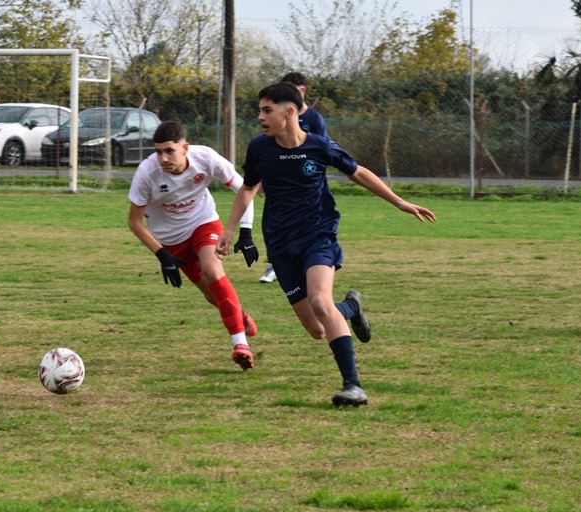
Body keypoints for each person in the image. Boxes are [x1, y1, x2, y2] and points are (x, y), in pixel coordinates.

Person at [216, 83, 435, 406]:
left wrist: (399, 202)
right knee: (317, 329)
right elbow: (248, 188)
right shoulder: (259, 148)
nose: (260, 117)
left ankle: (353, 386)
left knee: (320, 300)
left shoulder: (318, 146)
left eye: (267, 110)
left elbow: (358, 172)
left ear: (289, 112)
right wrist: (230, 229)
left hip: (317, 235)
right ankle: (351, 308)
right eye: (260, 110)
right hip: (280, 243)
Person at [128, 121, 260, 371]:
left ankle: (240, 344)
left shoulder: (206, 158)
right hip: (170, 240)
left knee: (213, 271)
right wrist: (162, 255)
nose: (163, 158)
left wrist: (245, 231)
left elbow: (245, 188)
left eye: (169, 151)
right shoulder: (147, 173)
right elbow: (134, 222)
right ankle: (240, 316)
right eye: (158, 152)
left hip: (203, 222)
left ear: (185, 147)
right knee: (211, 294)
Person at [259, 72, 328, 284]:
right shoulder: (273, 122)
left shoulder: (314, 120)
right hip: (280, 186)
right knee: (274, 221)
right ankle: (275, 264)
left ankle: (312, 262)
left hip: (307, 189)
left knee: (307, 226)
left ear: (302, 91)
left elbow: (324, 155)